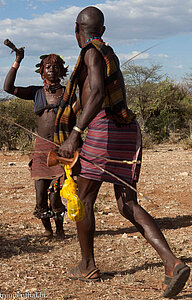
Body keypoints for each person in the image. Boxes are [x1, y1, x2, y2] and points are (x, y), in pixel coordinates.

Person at [55, 6, 190, 298]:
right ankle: (172, 263)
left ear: (77, 31)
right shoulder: (108, 53)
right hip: (128, 130)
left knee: (84, 198)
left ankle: (87, 264)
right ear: (102, 30)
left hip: (105, 131)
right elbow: (94, 94)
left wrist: (76, 134)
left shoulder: (91, 53)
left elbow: (98, 94)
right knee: (127, 203)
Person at [4, 50, 69, 239]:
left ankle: (59, 229)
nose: (51, 70)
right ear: (42, 71)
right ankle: (47, 230)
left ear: (61, 70)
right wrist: (17, 60)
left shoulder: (67, 93)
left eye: (55, 67)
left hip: (60, 148)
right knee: (40, 194)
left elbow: (75, 117)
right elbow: (8, 88)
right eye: (48, 67)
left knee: (56, 194)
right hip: (41, 149)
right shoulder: (36, 92)